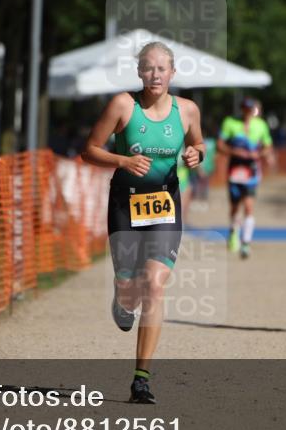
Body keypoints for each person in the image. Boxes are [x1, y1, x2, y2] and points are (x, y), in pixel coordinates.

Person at [82, 41, 205, 404]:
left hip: (165, 204)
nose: (155, 75)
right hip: (125, 203)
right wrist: (122, 161)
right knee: (129, 288)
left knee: (154, 284)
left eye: (162, 68)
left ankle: (141, 379)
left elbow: (199, 144)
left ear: (172, 73)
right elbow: (89, 149)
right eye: (148, 68)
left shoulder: (187, 110)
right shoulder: (123, 105)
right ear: (139, 72)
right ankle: (122, 300)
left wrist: (196, 153)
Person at [218, 97, 273, 259]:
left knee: (249, 206)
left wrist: (259, 153)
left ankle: (246, 243)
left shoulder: (261, 125)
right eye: (245, 108)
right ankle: (233, 231)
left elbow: (268, 145)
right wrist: (233, 151)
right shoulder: (230, 122)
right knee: (235, 206)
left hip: (252, 170)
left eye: (251, 109)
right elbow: (221, 144)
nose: (248, 112)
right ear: (241, 109)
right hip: (235, 168)